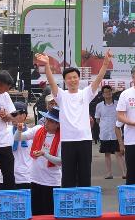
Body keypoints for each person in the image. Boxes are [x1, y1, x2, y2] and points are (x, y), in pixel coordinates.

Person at [38, 50, 112, 187]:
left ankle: (85, 204)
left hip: (84, 140)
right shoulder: (61, 95)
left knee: (85, 175)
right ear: (65, 81)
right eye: (69, 78)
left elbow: (98, 79)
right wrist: (47, 64)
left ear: (79, 79)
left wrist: (106, 63)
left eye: (75, 77)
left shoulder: (86, 94)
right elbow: (51, 81)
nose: (72, 80)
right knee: (68, 176)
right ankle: (68, 205)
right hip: (68, 140)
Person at [16, 107, 61, 215]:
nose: (46, 123)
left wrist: (44, 154)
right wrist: (19, 130)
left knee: (50, 214)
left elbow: (60, 161)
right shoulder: (38, 129)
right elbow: (18, 138)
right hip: (35, 179)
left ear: (58, 124)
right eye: (46, 119)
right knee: (35, 213)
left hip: (52, 182)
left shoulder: (62, 137)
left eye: (51, 121)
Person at [95, 85, 125, 179]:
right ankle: (109, 173)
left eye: (109, 91)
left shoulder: (117, 104)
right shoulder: (99, 106)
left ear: (112, 92)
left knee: (118, 153)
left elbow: (121, 117)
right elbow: (97, 119)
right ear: (103, 94)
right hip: (104, 133)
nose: (107, 93)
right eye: (105, 92)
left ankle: (124, 173)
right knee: (107, 154)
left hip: (116, 132)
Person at [8, 102, 33, 190]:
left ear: (23, 116)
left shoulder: (32, 133)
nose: (12, 117)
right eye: (11, 114)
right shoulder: (5, 131)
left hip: (26, 177)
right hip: (7, 177)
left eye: (15, 114)